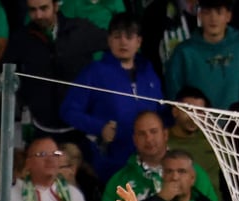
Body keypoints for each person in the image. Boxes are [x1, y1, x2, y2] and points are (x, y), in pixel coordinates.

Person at [60, 12, 163, 181]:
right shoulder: (94, 72)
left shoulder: (149, 72)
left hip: (149, 162)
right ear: (109, 40)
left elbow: (159, 111)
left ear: (138, 42)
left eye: (129, 36)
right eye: (117, 36)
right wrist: (99, 127)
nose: (123, 42)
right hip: (111, 165)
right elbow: (68, 111)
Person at [6, 0, 106, 135]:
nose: (38, 15)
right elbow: (7, 77)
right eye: (33, 10)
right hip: (42, 128)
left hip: (81, 128)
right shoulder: (20, 39)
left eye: (43, 8)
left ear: (56, 6)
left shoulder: (81, 30)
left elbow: (115, 47)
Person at [164, 0, 239, 109]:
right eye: (207, 12)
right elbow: (174, 94)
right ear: (200, 15)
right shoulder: (184, 52)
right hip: (196, 123)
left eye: (219, 12)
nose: (213, 18)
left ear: (228, 16)